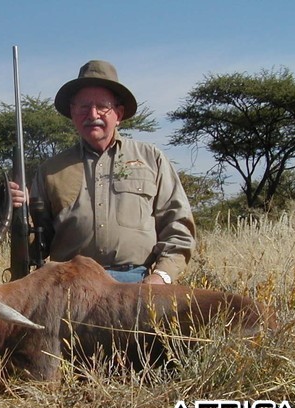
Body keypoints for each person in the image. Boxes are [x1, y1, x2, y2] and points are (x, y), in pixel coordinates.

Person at [10, 60, 195, 284]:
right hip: (70, 286)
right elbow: (34, 249)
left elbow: (178, 226)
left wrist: (161, 277)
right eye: (83, 107)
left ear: (119, 113)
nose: (92, 114)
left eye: (102, 106)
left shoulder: (151, 158)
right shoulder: (50, 171)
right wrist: (18, 212)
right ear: (72, 112)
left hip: (138, 284)